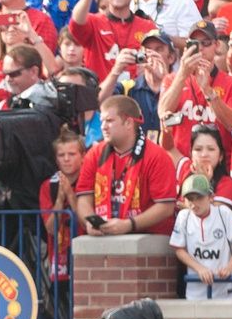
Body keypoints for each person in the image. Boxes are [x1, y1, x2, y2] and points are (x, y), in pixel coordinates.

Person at [76, 95, 178, 236]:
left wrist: (130, 224)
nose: (103, 127)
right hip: (105, 237)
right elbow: (83, 199)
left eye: (110, 121)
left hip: (149, 240)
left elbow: (166, 207)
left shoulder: (157, 156)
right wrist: (89, 222)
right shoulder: (94, 154)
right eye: (102, 121)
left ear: (129, 122)